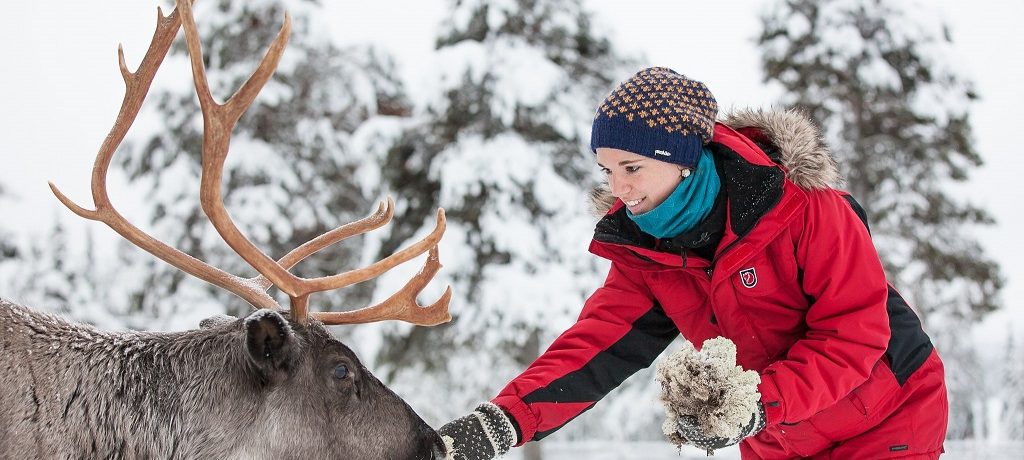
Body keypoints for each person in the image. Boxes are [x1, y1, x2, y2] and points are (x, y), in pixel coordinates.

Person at [437, 67, 948, 459]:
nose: (619, 189)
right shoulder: (647, 251)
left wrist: (754, 403)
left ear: (684, 159)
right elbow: (596, 347)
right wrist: (502, 421)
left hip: (887, 415)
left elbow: (853, 334)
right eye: (607, 170)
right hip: (777, 436)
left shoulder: (807, 208)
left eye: (632, 168)